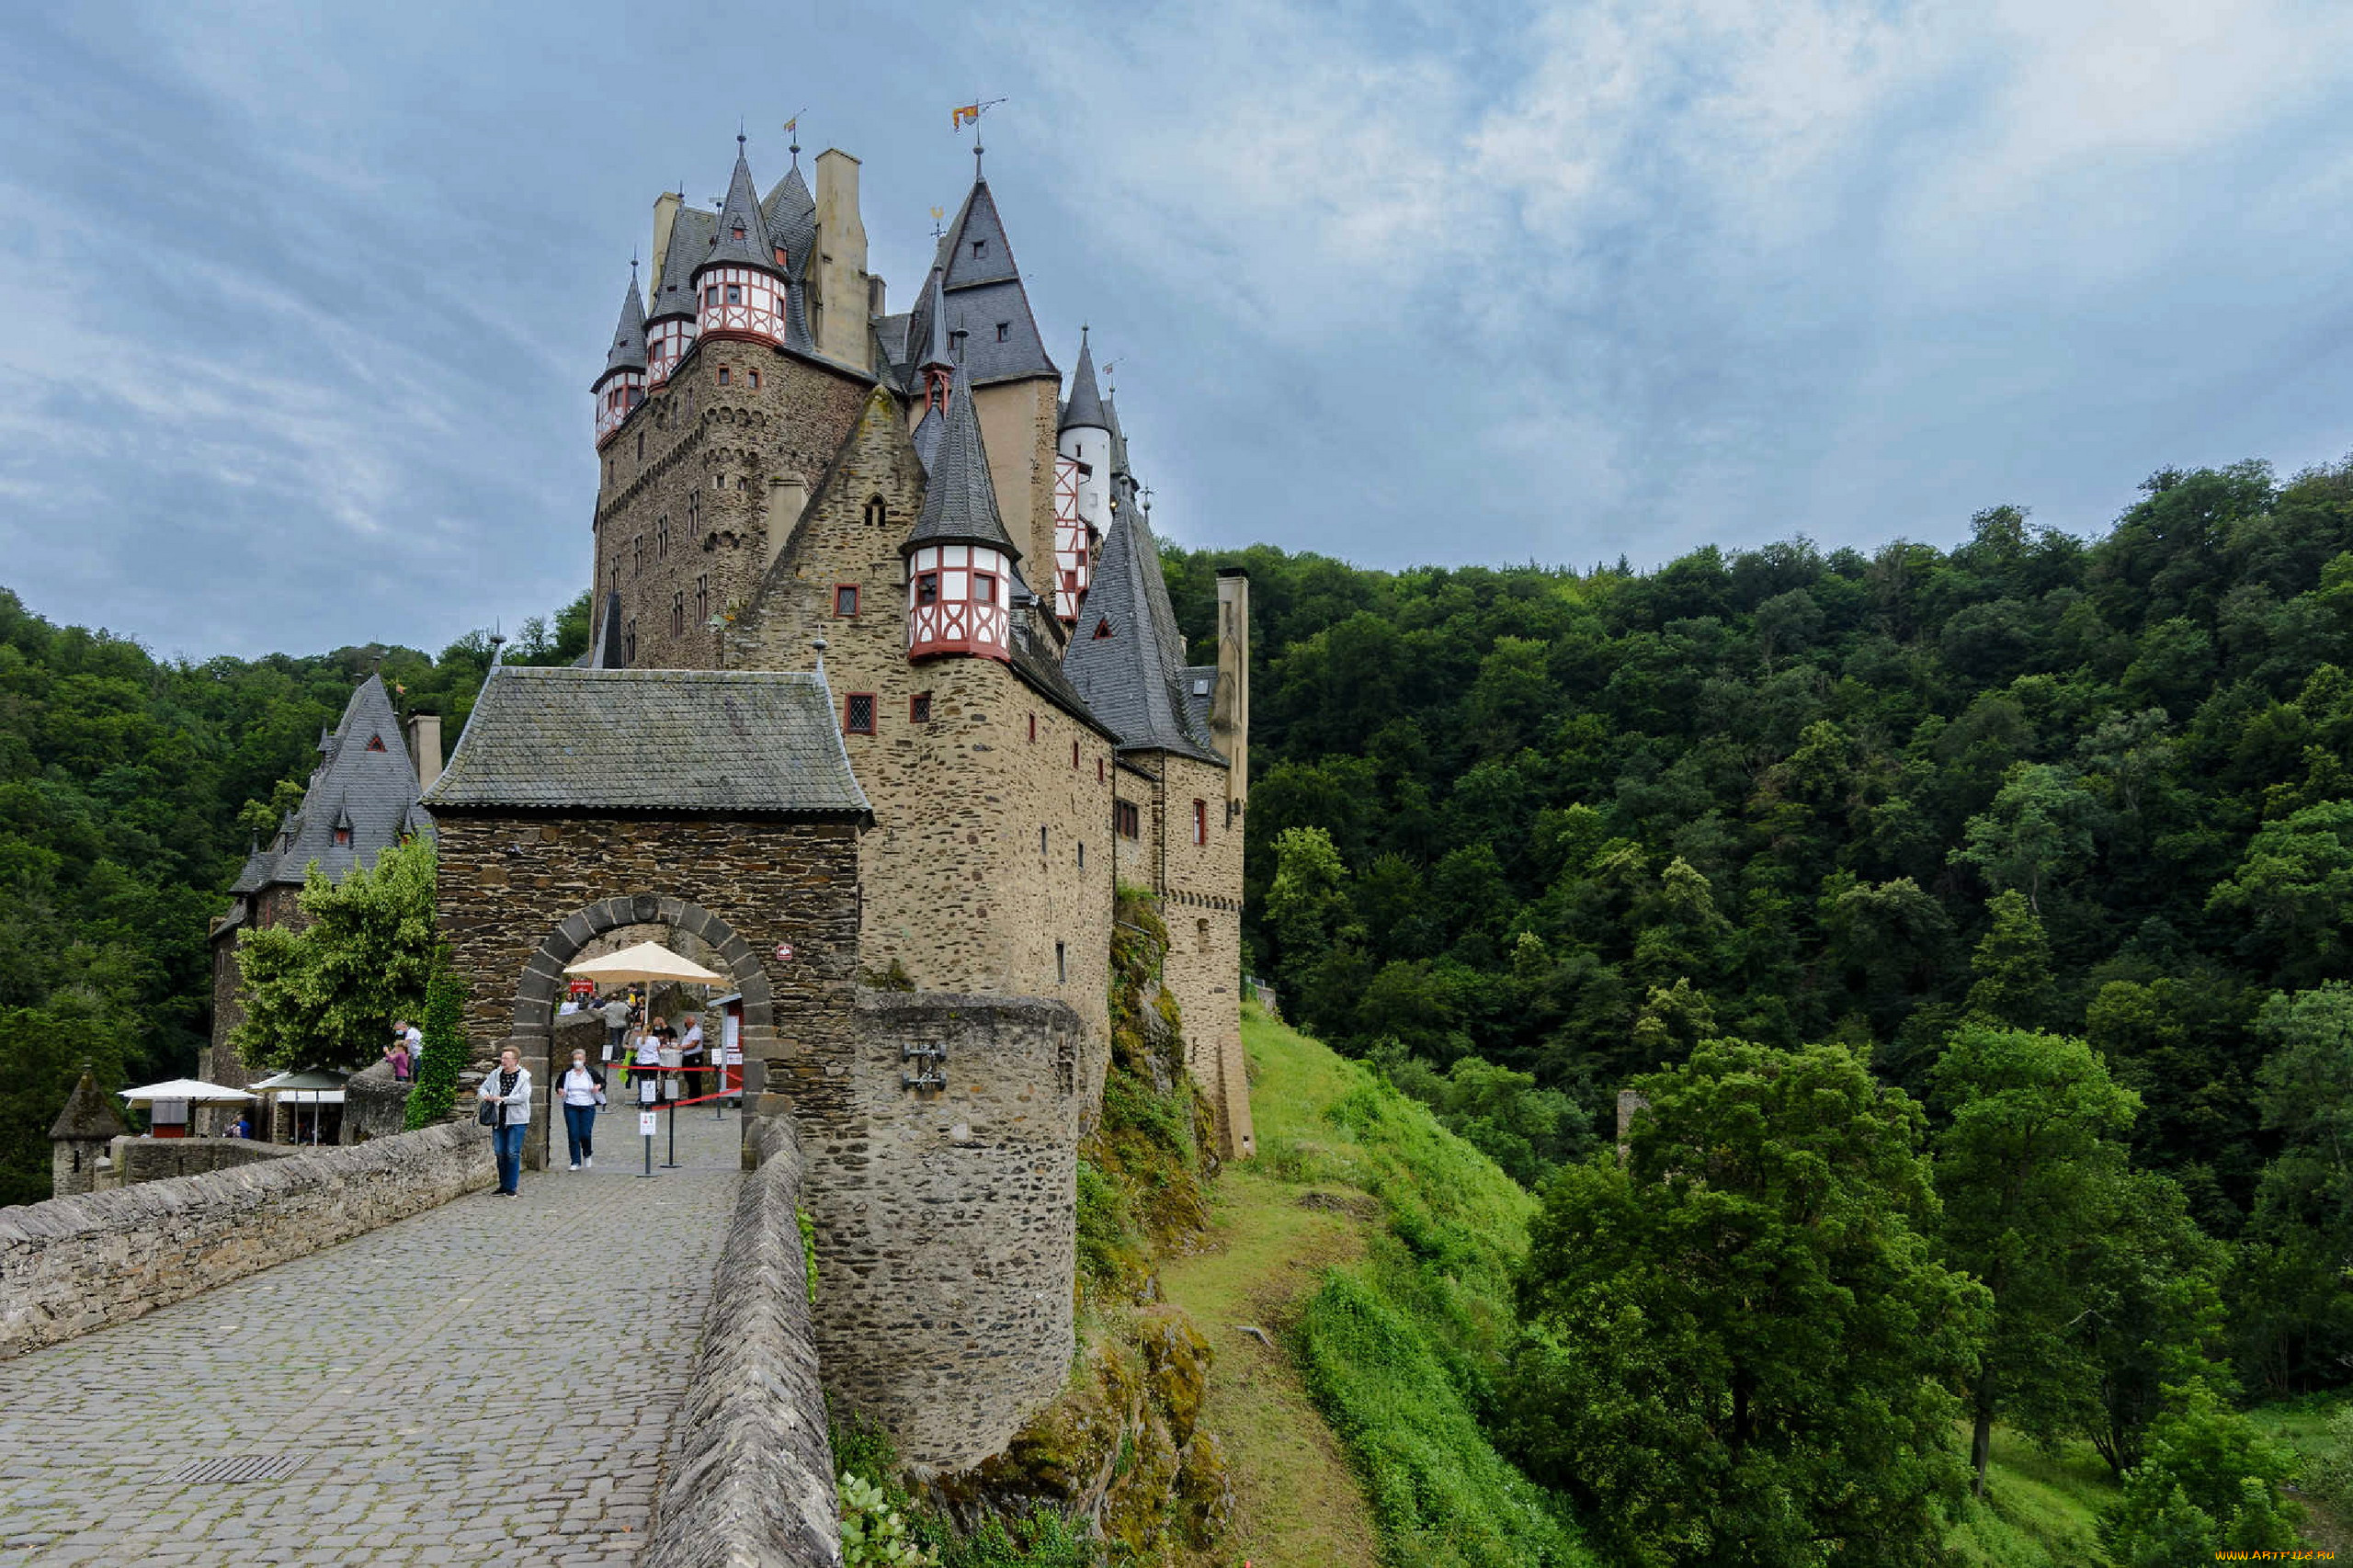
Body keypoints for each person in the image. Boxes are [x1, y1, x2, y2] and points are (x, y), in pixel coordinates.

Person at [476, 1048, 531, 1197]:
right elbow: (483, 1088)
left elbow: (523, 1097)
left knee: (512, 1153)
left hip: (517, 1120)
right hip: (498, 1119)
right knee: (500, 1152)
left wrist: (503, 1099)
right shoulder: (495, 1074)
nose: (503, 1061)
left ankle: (511, 1187)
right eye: (502, 1058)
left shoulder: (524, 1077)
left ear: (515, 1061)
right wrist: (486, 1095)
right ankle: (503, 1185)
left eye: (507, 1058)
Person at [555, 1048, 606, 1171]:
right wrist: (560, 1091)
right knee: (573, 1133)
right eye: (575, 1059)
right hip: (571, 1105)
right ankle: (575, 1161)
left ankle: (587, 1153)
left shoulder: (590, 1072)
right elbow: (558, 1085)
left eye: (580, 1059)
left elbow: (602, 1082)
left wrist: (598, 1086)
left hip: (587, 1106)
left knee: (585, 1133)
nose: (578, 1061)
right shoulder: (567, 1073)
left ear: (584, 1060)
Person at [600, 994, 631, 1062]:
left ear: (612, 998)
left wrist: (607, 1015)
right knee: (622, 1040)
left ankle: (615, 1056)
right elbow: (629, 1010)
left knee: (615, 1040)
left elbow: (601, 1011)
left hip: (613, 1025)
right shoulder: (623, 1005)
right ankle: (623, 1056)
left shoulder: (609, 1005)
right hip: (622, 1024)